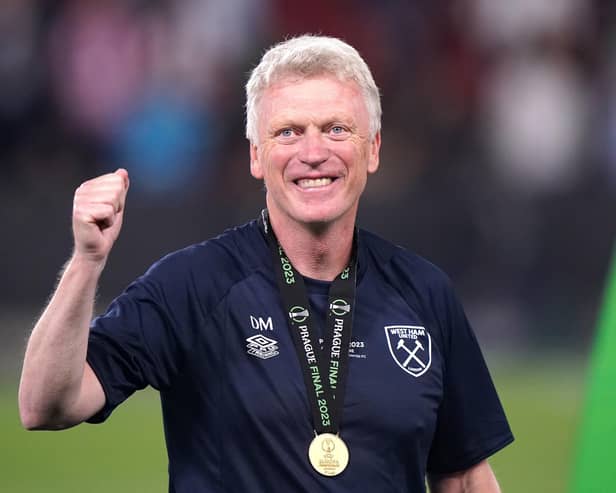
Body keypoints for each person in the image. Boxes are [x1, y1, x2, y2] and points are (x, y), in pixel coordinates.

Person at [19, 35, 513, 492]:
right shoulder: (193, 286)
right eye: (289, 132)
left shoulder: (425, 293)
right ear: (257, 156)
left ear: (373, 149)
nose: (313, 152)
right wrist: (86, 261)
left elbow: (466, 476)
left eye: (336, 129)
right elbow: (45, 404)